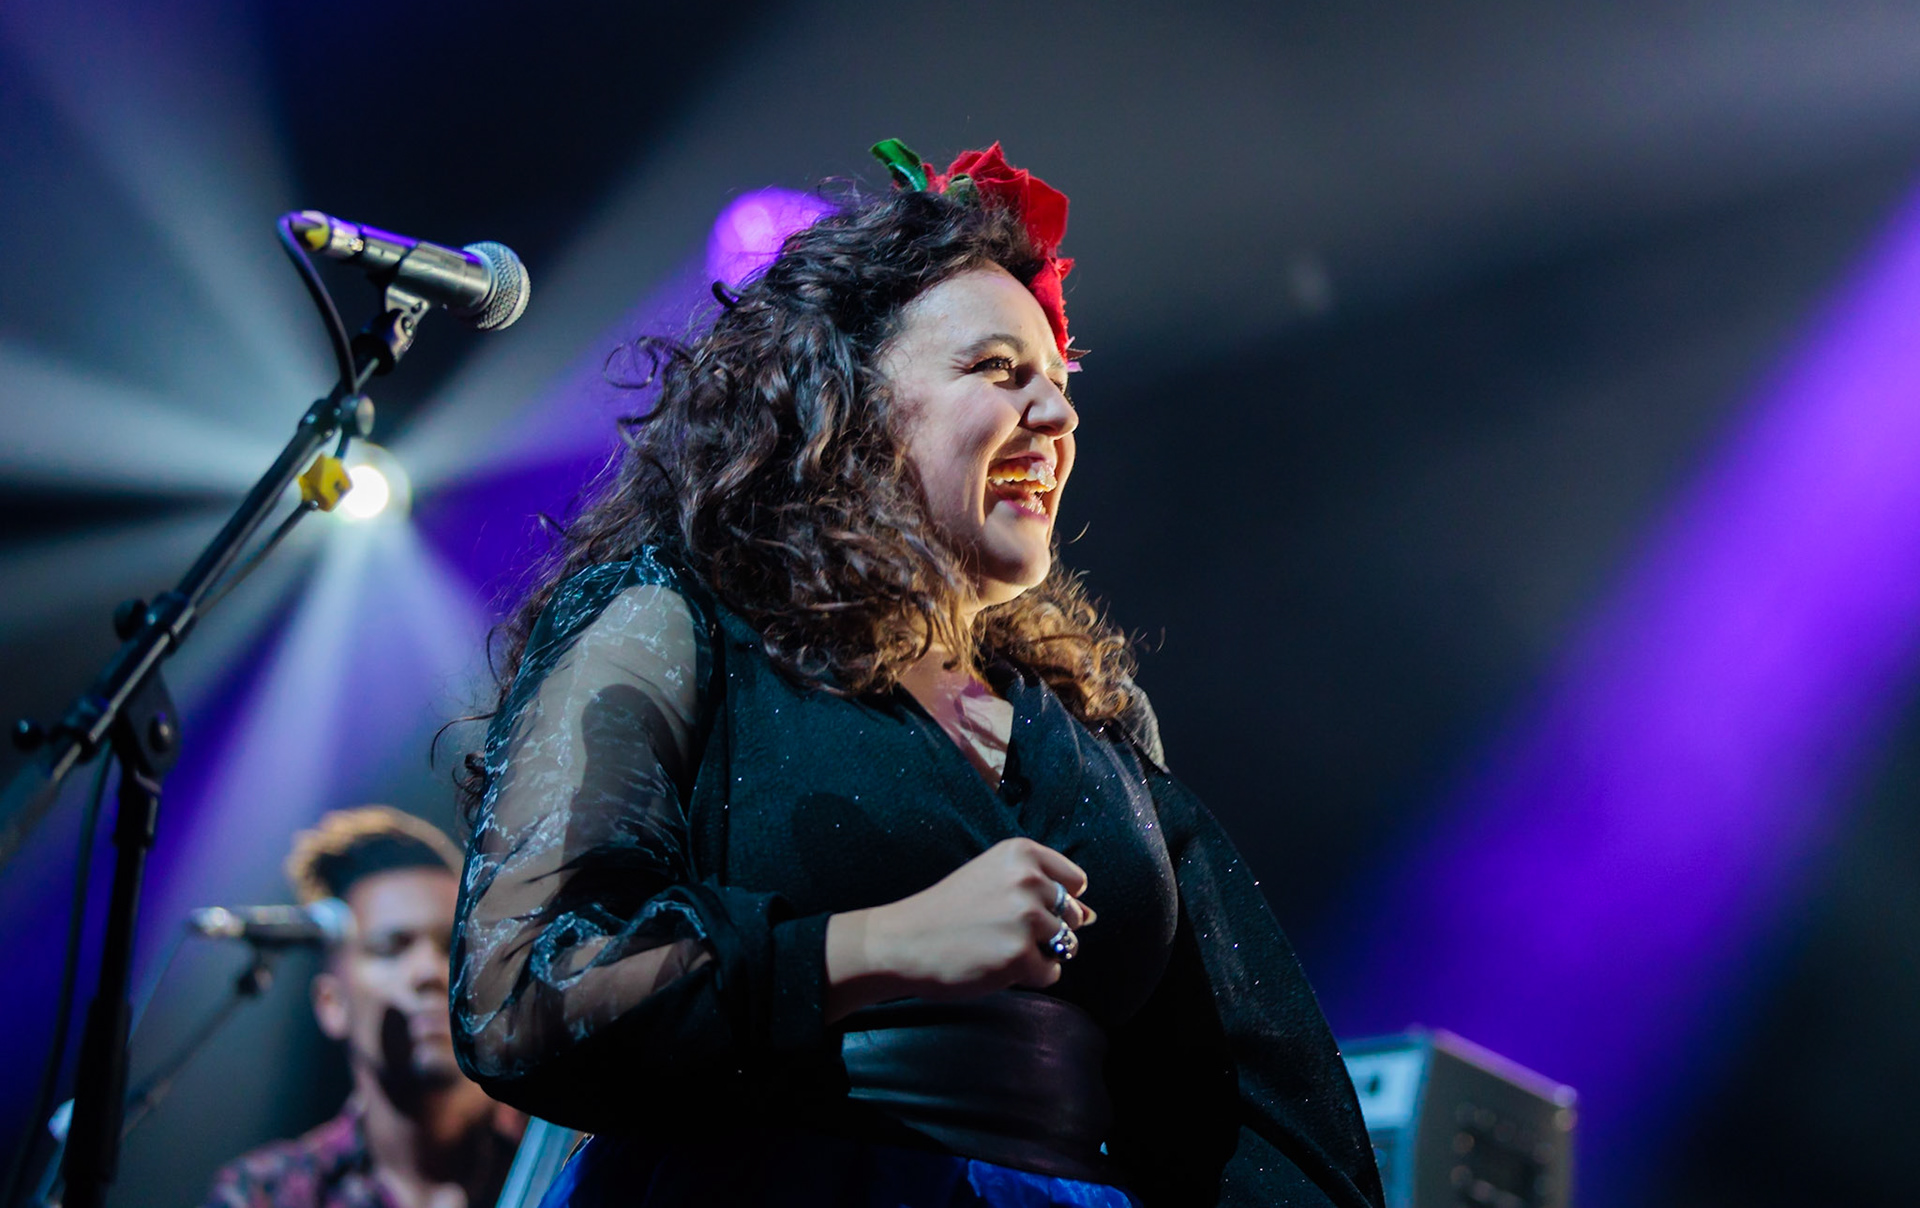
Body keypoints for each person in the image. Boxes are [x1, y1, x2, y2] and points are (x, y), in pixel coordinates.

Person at [450, 140, 1385, 1208]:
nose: (1058, 412)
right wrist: (876, 946)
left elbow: (1222, 1093)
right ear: (845, 402)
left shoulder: (1090, 726)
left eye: (1059, 379)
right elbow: (525, 989)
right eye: (998, 369)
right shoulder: (675, 619)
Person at [203, 806, 523, 1208]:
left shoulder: (555, 1151)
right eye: (391, 948)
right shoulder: (267, 1194)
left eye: (451, 946)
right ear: (331, 1004)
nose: (430, 972)